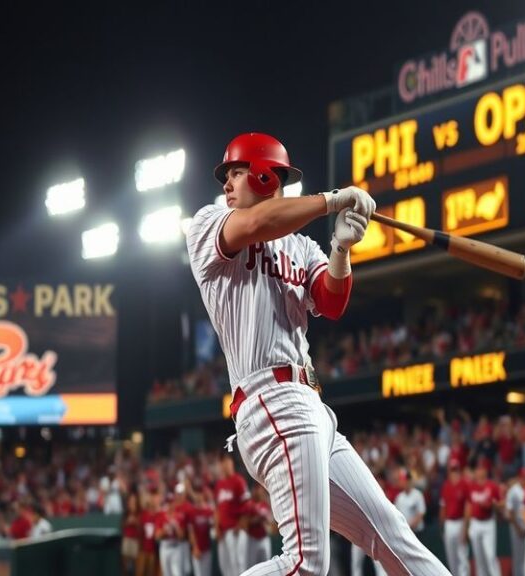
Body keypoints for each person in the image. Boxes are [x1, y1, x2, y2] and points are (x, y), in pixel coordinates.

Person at [186, 132, 450, 576]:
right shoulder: (209, 222)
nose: (227, 183)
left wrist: (341, 250)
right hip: (270, 399)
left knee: (391, 534)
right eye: (227, 174)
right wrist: (332, 200)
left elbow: (330, 303)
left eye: (236, 171)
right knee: (305, 563)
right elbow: (255, 225)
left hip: (309, 406)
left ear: (266, 175)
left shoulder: (301, 246)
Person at [213, 453, 249, 576]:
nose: (225, 465)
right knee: (225, 566)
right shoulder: (219, 485)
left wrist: (241, 524)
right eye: (222, 462)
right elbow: (217, 509)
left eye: (227, 461)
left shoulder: (239, 481)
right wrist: (216, 527)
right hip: (223, 532)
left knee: (238, 564)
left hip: (236, 530)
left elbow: (247, 505)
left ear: (231, 463)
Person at [464, 462, 502, 576]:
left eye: (481, 469)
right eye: (477, 470)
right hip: (475, 523)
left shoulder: (492, 485)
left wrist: (492, 505)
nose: (479, 472)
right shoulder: (471, 486)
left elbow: (501, 503)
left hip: (488, 522)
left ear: (485, 472)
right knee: (478, 557)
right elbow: (468, 506)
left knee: (490, 555)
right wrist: (467, 526)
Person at [440, 458, 469, 576]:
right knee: (451, 557)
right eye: (452, 470)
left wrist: (465, 527)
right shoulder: (446, 486)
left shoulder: (464, 484)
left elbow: (468, 507)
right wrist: (442, 526)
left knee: (462, 556)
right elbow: (443, 507)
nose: (454, 472)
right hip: (449, 523)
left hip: (460, 521)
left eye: (456, 469)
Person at [505, 469, 525, 576]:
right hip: (516, 526)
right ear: (519, 478)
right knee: (518, 557)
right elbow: (510, 512)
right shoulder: (514, 491)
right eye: (523, 477)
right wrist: (518, 528)